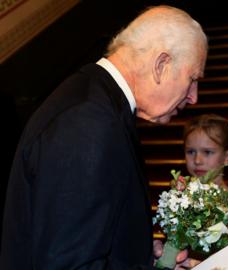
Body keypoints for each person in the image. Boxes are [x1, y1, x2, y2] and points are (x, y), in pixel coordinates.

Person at [0, 5, 207, 269]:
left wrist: (138, 255)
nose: (194, 96)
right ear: (161, 65)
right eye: (192, 78)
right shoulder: (87, 124)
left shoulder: (93, 100)